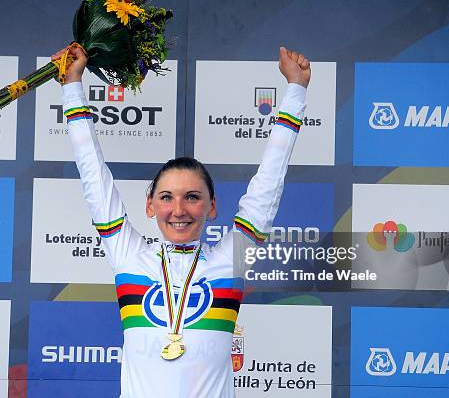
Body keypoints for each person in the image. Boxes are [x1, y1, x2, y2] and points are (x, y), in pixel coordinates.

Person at [54, 45, 310, 398]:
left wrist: (296, 91)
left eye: (192, 197)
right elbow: (92, 174)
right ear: (149, 206)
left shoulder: (229, 259)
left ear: (212, 207)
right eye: (166, 197)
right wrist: (72, 86)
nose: (178, 210)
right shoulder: (128, 256)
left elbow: (268, 183)